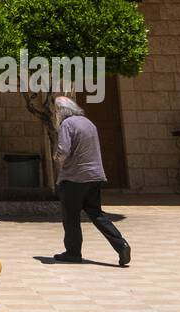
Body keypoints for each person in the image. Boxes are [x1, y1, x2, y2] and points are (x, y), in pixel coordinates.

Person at [52, 95, 131, 266]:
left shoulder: (67, 124)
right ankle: (121, 244)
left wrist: (56, 157)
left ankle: (73, 253)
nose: (55, 114)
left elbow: (63, 150)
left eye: (56, 110)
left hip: (75, 177)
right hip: (94, 176)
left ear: (61, 111)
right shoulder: (88, 123)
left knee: (71, 216)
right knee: (97, 214)